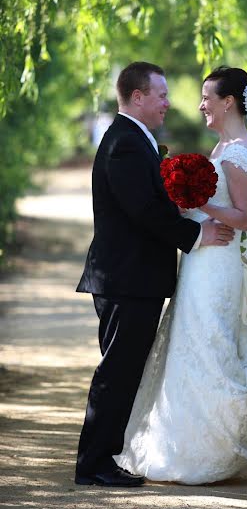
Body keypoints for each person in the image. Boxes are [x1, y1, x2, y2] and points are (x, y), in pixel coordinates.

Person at [115, 66, 247, 484]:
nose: (200, 106)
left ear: (228, 102)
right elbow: (215, 208)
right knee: (191, 344)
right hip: (202, 260)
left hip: (218, 264)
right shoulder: (224, 146)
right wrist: (187, 206)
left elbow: (246, 218)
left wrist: (201, 203)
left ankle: (211, 453)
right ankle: (186, 444)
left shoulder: (238, 151)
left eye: (206, 98)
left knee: (210, 345)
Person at [74, 62, 235, 487]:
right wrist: (197, 233)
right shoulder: (125, 144)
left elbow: (150, 203)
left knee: (125, 370)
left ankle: (103, 458)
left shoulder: (134, 140)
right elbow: (142, 211)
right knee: (117, 372)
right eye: (161, 94)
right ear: (138, 96)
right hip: (126, 279)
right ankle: (93, 465)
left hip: (132, 278)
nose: (167, 102)